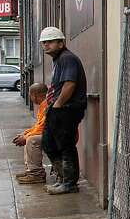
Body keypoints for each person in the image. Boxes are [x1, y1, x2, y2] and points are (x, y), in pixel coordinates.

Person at [39, 27, 87, 195]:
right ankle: (63, 178)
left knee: (65, 146)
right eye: (44, 42)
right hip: (59, 108)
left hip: (66, 109)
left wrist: (58, 104)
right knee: (49, 143)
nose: (46, 45)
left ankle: (69, 182)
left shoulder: (67, 59)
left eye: (50, 41)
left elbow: (70, 83)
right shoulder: (60, 59)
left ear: (61, 42)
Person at [12, 83, 49, 184]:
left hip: (55, 136)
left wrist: (26, 137)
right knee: (29, 137)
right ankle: (31, 171)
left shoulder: (47, 105)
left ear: (35, 95)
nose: (31, 98)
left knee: (32, 140)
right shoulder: (43, 105)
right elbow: (38, 125)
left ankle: (36, 174)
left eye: (30, 95)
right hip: (50, 133)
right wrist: (25, 133)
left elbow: (43, 127)